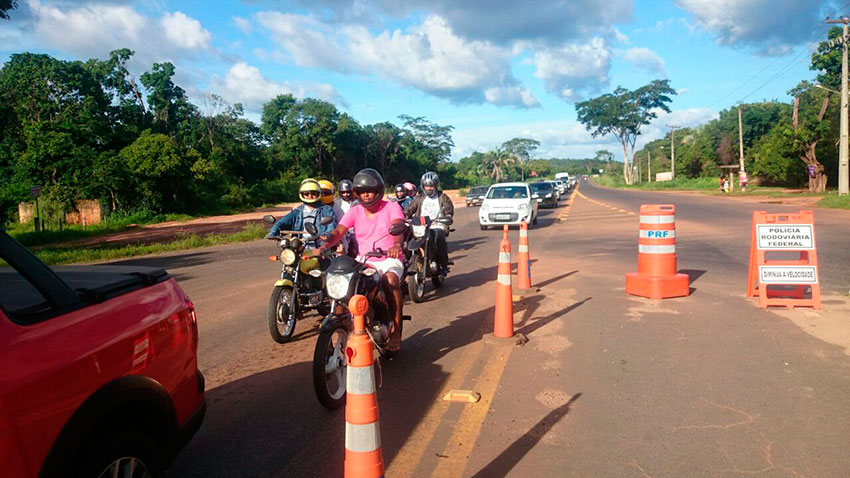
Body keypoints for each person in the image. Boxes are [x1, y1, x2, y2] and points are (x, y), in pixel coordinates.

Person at [315, 168, 406, 351]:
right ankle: (340, 328)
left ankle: (396, 331)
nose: (366, 195)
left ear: (378, 190)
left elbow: (398, 226)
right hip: (364, 260)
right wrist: (323, 246)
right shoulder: (355, 211)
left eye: (370, 190)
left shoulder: (391, 206)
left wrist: (396, 246)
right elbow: (338, 231)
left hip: (388, 259)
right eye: (362, 191)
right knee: (344, 285)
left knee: (390, 281)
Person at [404, 171, 454, 276]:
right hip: (420, 226)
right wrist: (403, 217)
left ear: (436, 186)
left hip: (437, 225)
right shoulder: (419, 198)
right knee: (406, 237)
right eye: (426, 186)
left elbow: (448, 209)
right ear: (423, 186)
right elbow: (409, 209)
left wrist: (447, 216)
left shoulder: (442, 197)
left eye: (431, 186)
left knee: (439, 236)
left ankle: (443, 264)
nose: (429, 188)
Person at [266, 178, 337, 243]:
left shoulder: (326, 209)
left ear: (318, 194)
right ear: (302, 195)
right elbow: (282, 222)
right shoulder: (297, 211)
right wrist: (273, 232)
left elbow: (332, 225)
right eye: (306, 194)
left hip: (320, 244)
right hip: (299, 244)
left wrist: (326, 234)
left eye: (313, 193)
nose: (310, 196)